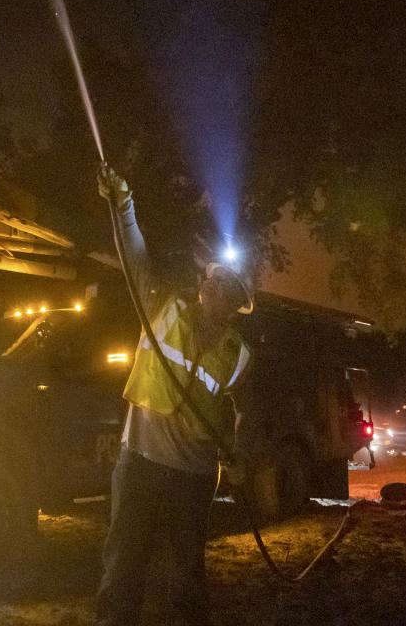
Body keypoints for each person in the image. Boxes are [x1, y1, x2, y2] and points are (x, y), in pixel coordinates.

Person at [95, 166, 254, 626]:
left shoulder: (239, 356)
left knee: (187, 577)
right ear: (204, 287)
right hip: (139, 463)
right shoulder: (161, 307)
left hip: (193, 478)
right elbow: (134, 253)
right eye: (212, 280)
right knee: (123, 567)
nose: (213, 287)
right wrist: (122, 203)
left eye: (226, 287)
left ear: (234, 303)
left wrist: (239, 454)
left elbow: (247, 412)